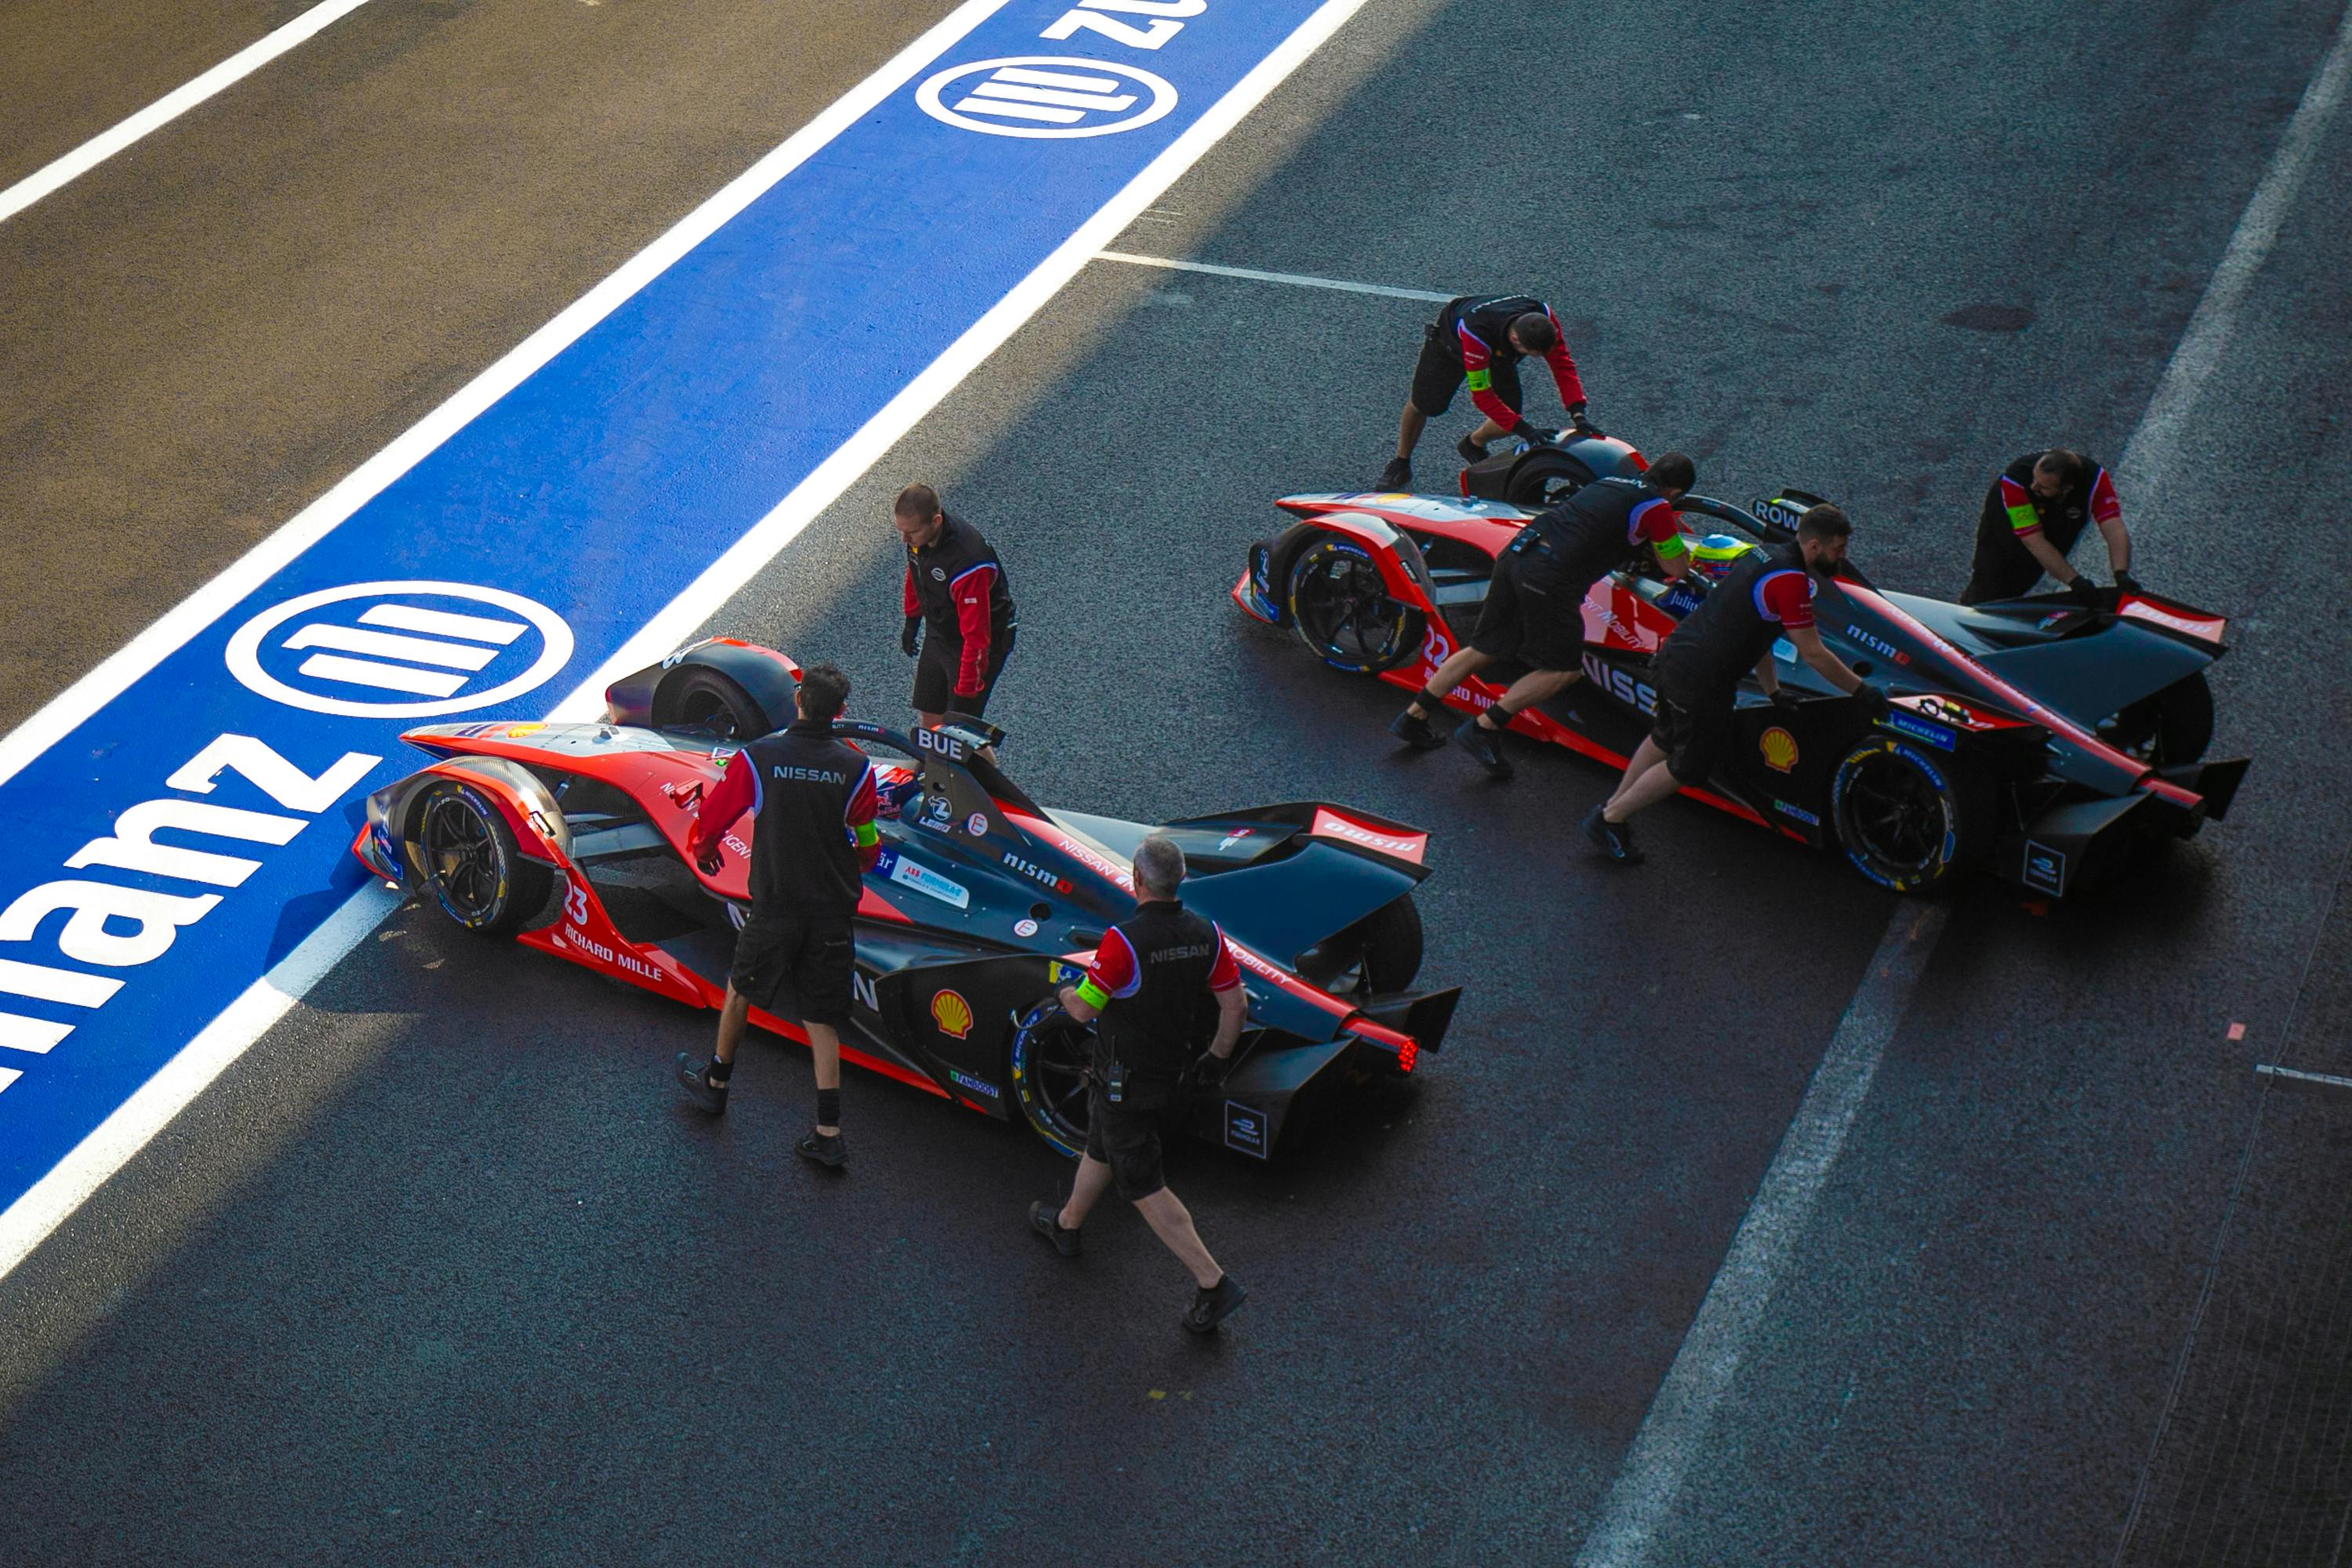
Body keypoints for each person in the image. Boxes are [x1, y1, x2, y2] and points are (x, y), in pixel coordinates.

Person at [1028, 833, 1250, 1335]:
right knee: (1101, 1145)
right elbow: (1235, 1005)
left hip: (1125, 1082)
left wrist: (1063, 991)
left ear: (1137, 879)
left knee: (1144, 1184)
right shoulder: (1207, 934)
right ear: (1180, 881)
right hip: (1173, 1076)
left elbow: (1085, 1008)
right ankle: (1067, 1225)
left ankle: (1212, 1283)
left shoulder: (1122, 943)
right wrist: (1216, 1058)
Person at [1584, 505, 1889, 863]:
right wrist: (1862, 691)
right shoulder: (1791, 581)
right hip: (1701, 678)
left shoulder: (1764, 555)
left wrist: (1773, 690)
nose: (1843, 556)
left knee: (1663, 737)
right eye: (1838, 549)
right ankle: (1609, 818)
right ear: (1815, 547)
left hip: (1676, 657)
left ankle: (1612, 809)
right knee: (1688, 767)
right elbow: (1813, 653)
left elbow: (1756, 633)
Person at [673, 662, 881, 1167]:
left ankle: (716, 1085)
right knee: (821, 1017)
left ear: (798, 701)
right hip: (831, 911)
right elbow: (869, 843)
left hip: (775, 906)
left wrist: (704, 851)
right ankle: (828, 1133)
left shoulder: (760, 757)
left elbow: (714, 816)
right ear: (841, 711)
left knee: (740, 991)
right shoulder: (857, 769)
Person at [1390, 452, 1698, 779]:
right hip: (1550, 576)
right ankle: (1484, 728)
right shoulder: (1657, 507)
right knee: (1563, 670)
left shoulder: (1611, 482)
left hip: (1517, 553)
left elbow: (1597, 525)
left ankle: (1413, 717)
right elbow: (1675, 568)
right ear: (1676, 493)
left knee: (1485, 648)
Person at [1378, 295, 1592, 490]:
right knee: (1424, 405)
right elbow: (1482, 396)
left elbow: (1563, 366)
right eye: (1529, 354)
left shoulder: (1542, 317)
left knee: (1508, 416)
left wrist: (1578, 413)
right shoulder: (1477, 332)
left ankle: (1472, 444)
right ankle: (1401, 462)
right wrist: (1525, 429)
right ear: (1516, 340)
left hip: (1500, 350)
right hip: (1451, 345)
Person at [895, 483, 1018, 730]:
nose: (904, 539)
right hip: (941, 632)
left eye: (911, 532)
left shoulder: (968, 563)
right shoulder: (920, 536)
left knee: (960, 732)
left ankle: (983, 769)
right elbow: (917, 573)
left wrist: (967, 687)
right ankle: (932, 765)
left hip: (975, 645)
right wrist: (912, 622)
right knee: (930, 719)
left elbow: (977, 636)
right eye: (900, 530)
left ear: (936, 521)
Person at [1960, 448, 2136, 605]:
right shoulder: (2016, 482)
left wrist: (2121, 573)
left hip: (2058, 516)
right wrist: (2075, 582)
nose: (2033, 486)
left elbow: (2114, 528)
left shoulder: (2096, 480)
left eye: (2042, 486)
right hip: (2007, 519)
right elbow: (2034, 541)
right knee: (1992, 580)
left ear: (2067, 488)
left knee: (2027, 576)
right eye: (2034, 478)